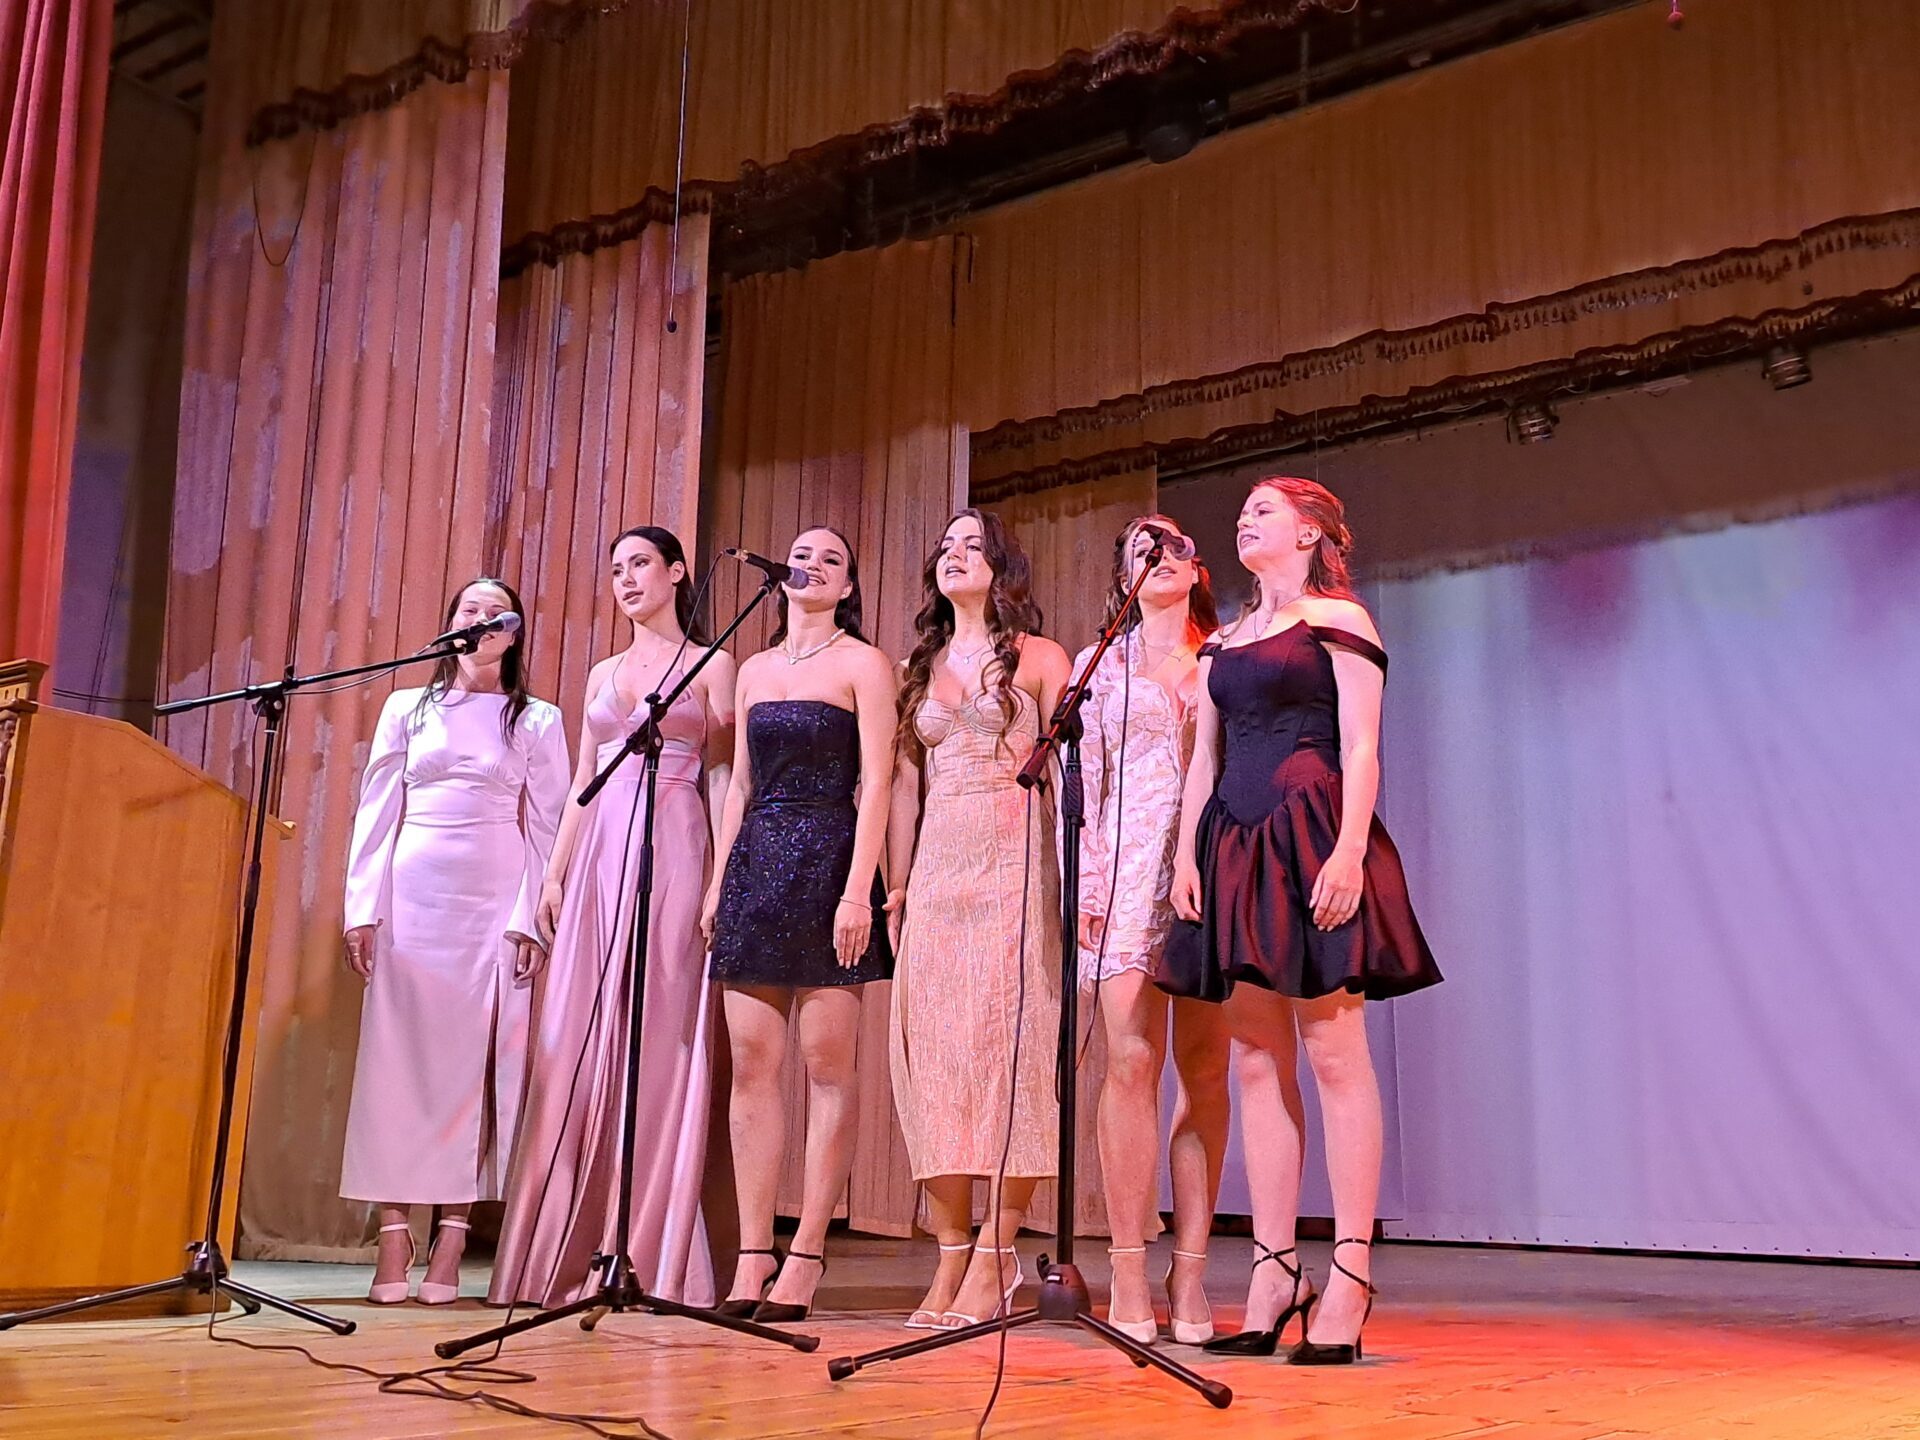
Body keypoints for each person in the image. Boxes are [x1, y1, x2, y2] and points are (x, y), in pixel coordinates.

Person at [1163, 476, 1441, 1364]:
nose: (1245, 521)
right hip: (1234, 845)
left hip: (1312, 833)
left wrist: (1351, 850)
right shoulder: (1222, 641)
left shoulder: (1339, 621)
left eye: (1265, 510)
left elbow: (1361, 744)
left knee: (1333, 1051)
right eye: (1242, 512)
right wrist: (1185, 857)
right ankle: (1274, 1271)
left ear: (1312, 530)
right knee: (1254, 1058)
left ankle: (1351, 1273)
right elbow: (1203, 760)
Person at [489, 526, 735, 1308]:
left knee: (660, 1031)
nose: (626, 579)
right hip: (600, 853)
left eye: (641, 565)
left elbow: (725, 777)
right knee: (580, 1040)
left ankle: (652, 1243)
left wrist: (719, 879)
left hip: (677, 842)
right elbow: (581, 785)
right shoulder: (602, 671)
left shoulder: (714, 662)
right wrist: (554, 875)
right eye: (617, 568)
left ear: (677, 572)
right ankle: (569, 1243)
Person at [340, 577, 569, 1304]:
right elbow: (378, 807)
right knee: (396, 1063)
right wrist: (362, 908)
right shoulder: (407, 707)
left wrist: (531, 918)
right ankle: (393, 1233)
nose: (481, 620)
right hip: (412, 898)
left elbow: (550, 825)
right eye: (469, 610)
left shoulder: (535, 719)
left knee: (474, 1066)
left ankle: (452, 1235)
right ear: (451, 624)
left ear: (515, 634)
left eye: (496, 613)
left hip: (491, 900)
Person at [703, 526, 899, 1324]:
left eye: (830, 559)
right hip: (757, 863)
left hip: (829, 859)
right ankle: (754, 1252)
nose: (810, 565)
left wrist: (857, 894)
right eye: (802, 553)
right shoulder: (754, 669)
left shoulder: (865, 664)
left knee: (827, 1066)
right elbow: (739, 787)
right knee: (752, 1066)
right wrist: (718, 883)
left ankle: (808, 1250)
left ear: (848, 586)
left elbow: (878, 782)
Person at [887, 508, 1071, 1331]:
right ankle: (951, 1249)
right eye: (946, 546)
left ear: (1001, 566)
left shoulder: (1040, 657)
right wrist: (895, 886)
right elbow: (903, 783)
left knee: (1009, 1052)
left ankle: (999, 1250)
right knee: (935, 1056)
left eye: (972, 545)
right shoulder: (915, 666)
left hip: (1012, 856)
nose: (954, 555)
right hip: (938, 864)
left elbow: (1070, 773)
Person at [1074, 516, 1231, 1346]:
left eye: (1172, 545)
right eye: (1142, 547)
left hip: (1208, 863)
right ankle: (1128, 1264)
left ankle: (1192, 1268)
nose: (1158, 555)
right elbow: (1088, 788)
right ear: (1122, 574)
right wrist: (1088, 883)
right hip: (1127, 866)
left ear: (1196, 567)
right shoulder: (1097, 664)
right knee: (1131, 1058)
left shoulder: (1226, 652)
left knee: (1204, 1066)